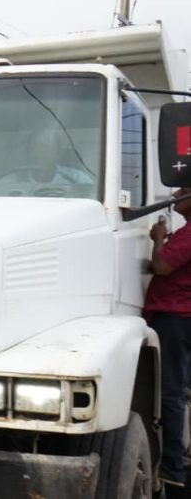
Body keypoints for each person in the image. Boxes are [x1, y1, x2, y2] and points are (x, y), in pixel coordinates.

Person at [145, 190, 191, 491]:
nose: (175, 196)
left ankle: (173, 468)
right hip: (180, 317)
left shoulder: (189, 234)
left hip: (174, 317)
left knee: (171, 393)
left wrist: (159, 239)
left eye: (184, 192)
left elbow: (162, 267)